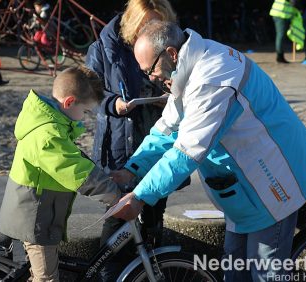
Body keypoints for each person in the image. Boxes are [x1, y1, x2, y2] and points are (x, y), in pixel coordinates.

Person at [111, 20, 306, 281]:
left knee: (265, 273)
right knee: (235, 272)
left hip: (273, 184)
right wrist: (131, 169)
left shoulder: (213, 78)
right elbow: (168, 129)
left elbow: (187, 151)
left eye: (151, 70)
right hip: (246, 190)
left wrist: (140, 196)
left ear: (171, 53)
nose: (151, 78)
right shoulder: (188, 67)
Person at [84, 0, 185, 280]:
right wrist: (113, 103)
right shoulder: (104, 48)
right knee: (117, 218)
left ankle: (150, 273)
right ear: (131, 23)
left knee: (154, 217)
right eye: (145, 25)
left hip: (158, 135)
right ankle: (109, 275)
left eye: (156, 25)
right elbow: (89, 93)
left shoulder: (171, 44)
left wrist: (168, 98)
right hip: (120, 142)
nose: (150, 30)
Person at [0, 66, 122, 282]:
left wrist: (104, 177)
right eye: (85, 112)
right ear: (70, 102)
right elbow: (73, 169)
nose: (84, 118)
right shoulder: (48, 134)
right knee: (47, 278)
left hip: (40, 214)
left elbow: (74, 157)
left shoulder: (52, 124)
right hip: (35, 218)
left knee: (41, 272)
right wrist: (113, 195)